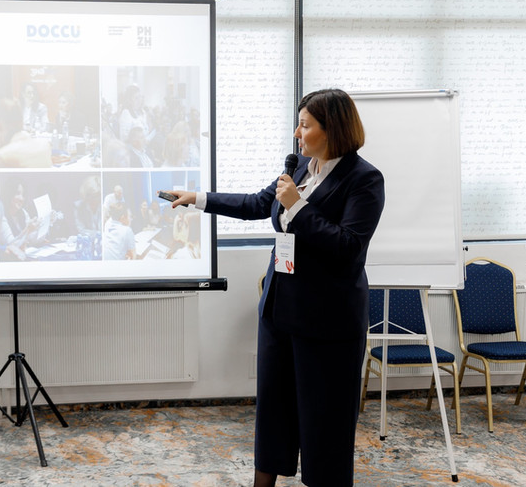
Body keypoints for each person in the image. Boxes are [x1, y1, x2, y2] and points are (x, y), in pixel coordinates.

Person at [163, 89, 385, 487]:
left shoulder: (364, 179)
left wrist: (298, 206)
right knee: (273, 413)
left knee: (324, 421)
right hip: (279, 311)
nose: (297, 133)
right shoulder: (300, 168)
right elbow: (256, 203)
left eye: (305, 125)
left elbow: (349, 247)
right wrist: (198, 198)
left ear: (332, 129)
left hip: (328, 322)